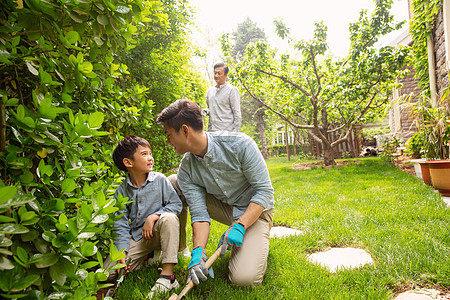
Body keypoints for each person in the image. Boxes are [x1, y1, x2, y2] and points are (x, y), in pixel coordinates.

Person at [156, 99, 274, 287]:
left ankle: (257, 237)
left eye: (169, 135)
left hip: (256, 212)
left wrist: (241, 225)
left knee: (243, 280)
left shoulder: (240, 144)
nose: (168, 141)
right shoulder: (186, 168)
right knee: (173, 182)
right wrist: (198, 252)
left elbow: (264, 191)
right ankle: (181, 249)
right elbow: (200, 214)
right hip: (224, 207)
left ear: (185, 131)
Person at [108, 135, 182, 298]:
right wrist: (122, 253)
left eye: (150, 153)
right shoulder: (122, 190)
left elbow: (176, 205)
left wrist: (153, 217)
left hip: (157, 232)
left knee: (169, 218)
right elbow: (120, 224)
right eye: (144, 154)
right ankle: (150, 257)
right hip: (138, 237)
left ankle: (167, 275)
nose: (150, 158)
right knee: (110, 273)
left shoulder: (160, 180)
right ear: (128, 163)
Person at [205, 62, 242, 132]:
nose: (216, 75)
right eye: (215, 73)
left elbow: (237, 115)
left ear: (226, 75)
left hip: (227, 134)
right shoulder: (210, 90)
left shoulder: (232, 90)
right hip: (211, 133)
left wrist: (234, 135)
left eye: (219, 73)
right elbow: (210, 109)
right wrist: (203, 111)